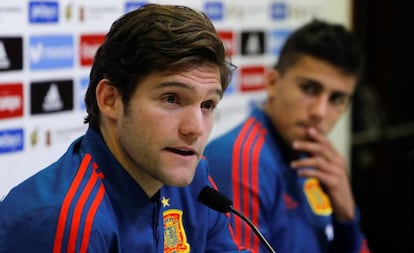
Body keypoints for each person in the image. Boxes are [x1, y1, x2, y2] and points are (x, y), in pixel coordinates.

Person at [0, 4, 252, 253]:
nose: (195, 128)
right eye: (171, 99)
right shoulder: (65, 222)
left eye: (207, 104)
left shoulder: (194, 180)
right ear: (110, 99)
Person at [204, 19, 371, 253]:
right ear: (272, 82)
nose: (319, 112)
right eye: (310, 89)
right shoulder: (241, 158)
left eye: (337, 99)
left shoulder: (319, 158)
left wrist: (347, 216)